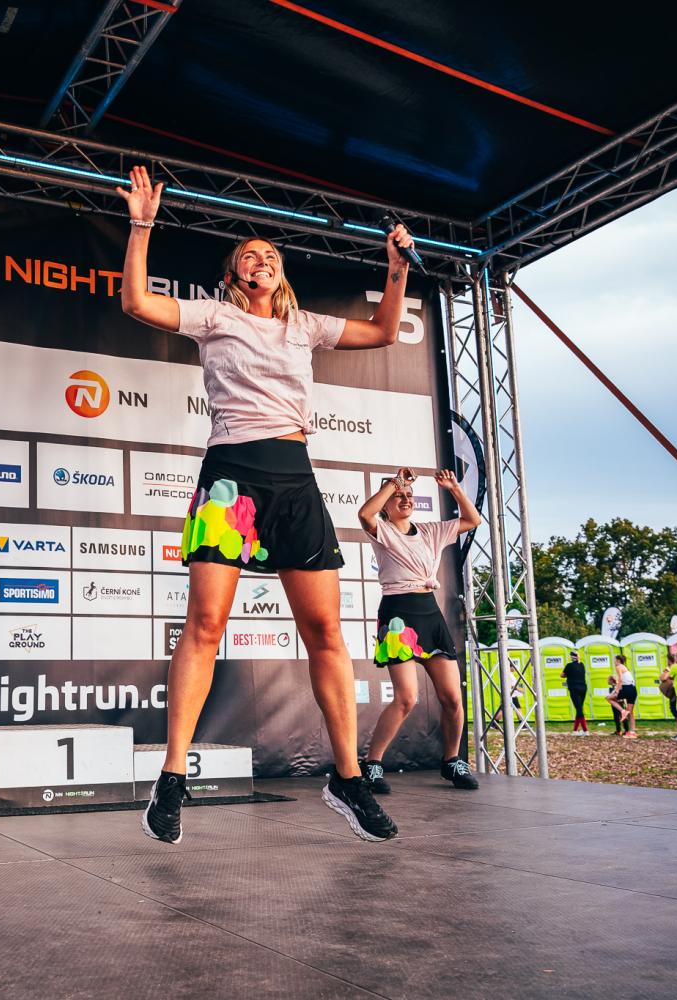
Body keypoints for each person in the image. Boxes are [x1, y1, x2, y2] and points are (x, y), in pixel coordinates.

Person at [118, 165, 413, 844]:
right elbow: (136, 303)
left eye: (270, 255)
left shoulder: (304, 326)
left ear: (280, 275)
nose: (261, 260)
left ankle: (347, 777)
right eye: (249, 255)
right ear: (233, 275)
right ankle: (172, 776)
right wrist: (141, 225)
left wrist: (395, 270)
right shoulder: (215, 316)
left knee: (326, 633)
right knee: (204, 625)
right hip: (231, 477)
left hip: (293, 479)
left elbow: (381, 332)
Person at [357, 470, 482, 793]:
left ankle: (452, 762)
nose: (406, 499)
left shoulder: (430, 531)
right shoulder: (382, 530)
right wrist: (394, 483)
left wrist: (454, 488)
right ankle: (372, 764)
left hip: (430, 614)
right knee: (407, 698)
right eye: (399, 496)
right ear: (387, 504)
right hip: (398, 615)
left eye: (409, 495)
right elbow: (365, 514)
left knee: (452, 698)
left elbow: (473, 520)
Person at [605, 653, 638, 739]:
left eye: (614, 660)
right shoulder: (625, 667)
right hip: (633, 689)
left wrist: (616, 691)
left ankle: (622, 711)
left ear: (618, 660)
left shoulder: (619, 666)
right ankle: (632, 732)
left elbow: (620, 679)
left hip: (627, 688)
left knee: (608, 698)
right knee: (630, 713)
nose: (614, 662)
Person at [562, 651, 589, 735]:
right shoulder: (582, 665)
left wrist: (568, 675)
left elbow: (562, 675)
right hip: (583, 688)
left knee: (579, 709)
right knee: (579, 708)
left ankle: (585, 730)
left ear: (571, 657)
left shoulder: (569, 665)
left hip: (574, 689)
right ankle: (575, 730)